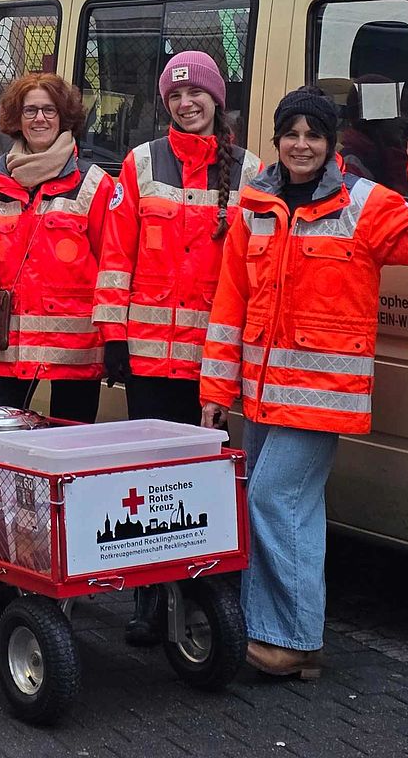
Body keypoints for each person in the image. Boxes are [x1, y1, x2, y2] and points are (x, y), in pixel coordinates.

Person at [199, 87, 408, 680]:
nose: (301, 145)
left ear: (331, 142)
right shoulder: (255, 202)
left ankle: (289, 639)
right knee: (282, 504)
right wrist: (215, 393)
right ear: (277, 140)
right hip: (261, 395)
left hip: (320, 395)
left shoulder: (363, 203)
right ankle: (281, 633)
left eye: (313, 135)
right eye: (291, 134)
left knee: (274, 500)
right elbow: (229, 304)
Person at [93, 50, 260, 643]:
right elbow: (116, 257)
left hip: (210, 363)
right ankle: (148, 600)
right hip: (147, 359)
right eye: (176, 96)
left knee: (201, 485)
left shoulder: (249, 172)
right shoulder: (140, 163)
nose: (187, 104)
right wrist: (114, 336)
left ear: (217, 99)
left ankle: (198, 594)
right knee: (145, 483)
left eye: (197, 94)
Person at [0, 73, 113, 617]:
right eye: (30, 110)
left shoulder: (93, 184)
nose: (40, 118)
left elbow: (111, 266)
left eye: (49, 110)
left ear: (65, 116)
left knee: (71, 470)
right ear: (16, 119)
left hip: (74, 355)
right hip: (10, 352)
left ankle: (71, 569)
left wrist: (112, 340)